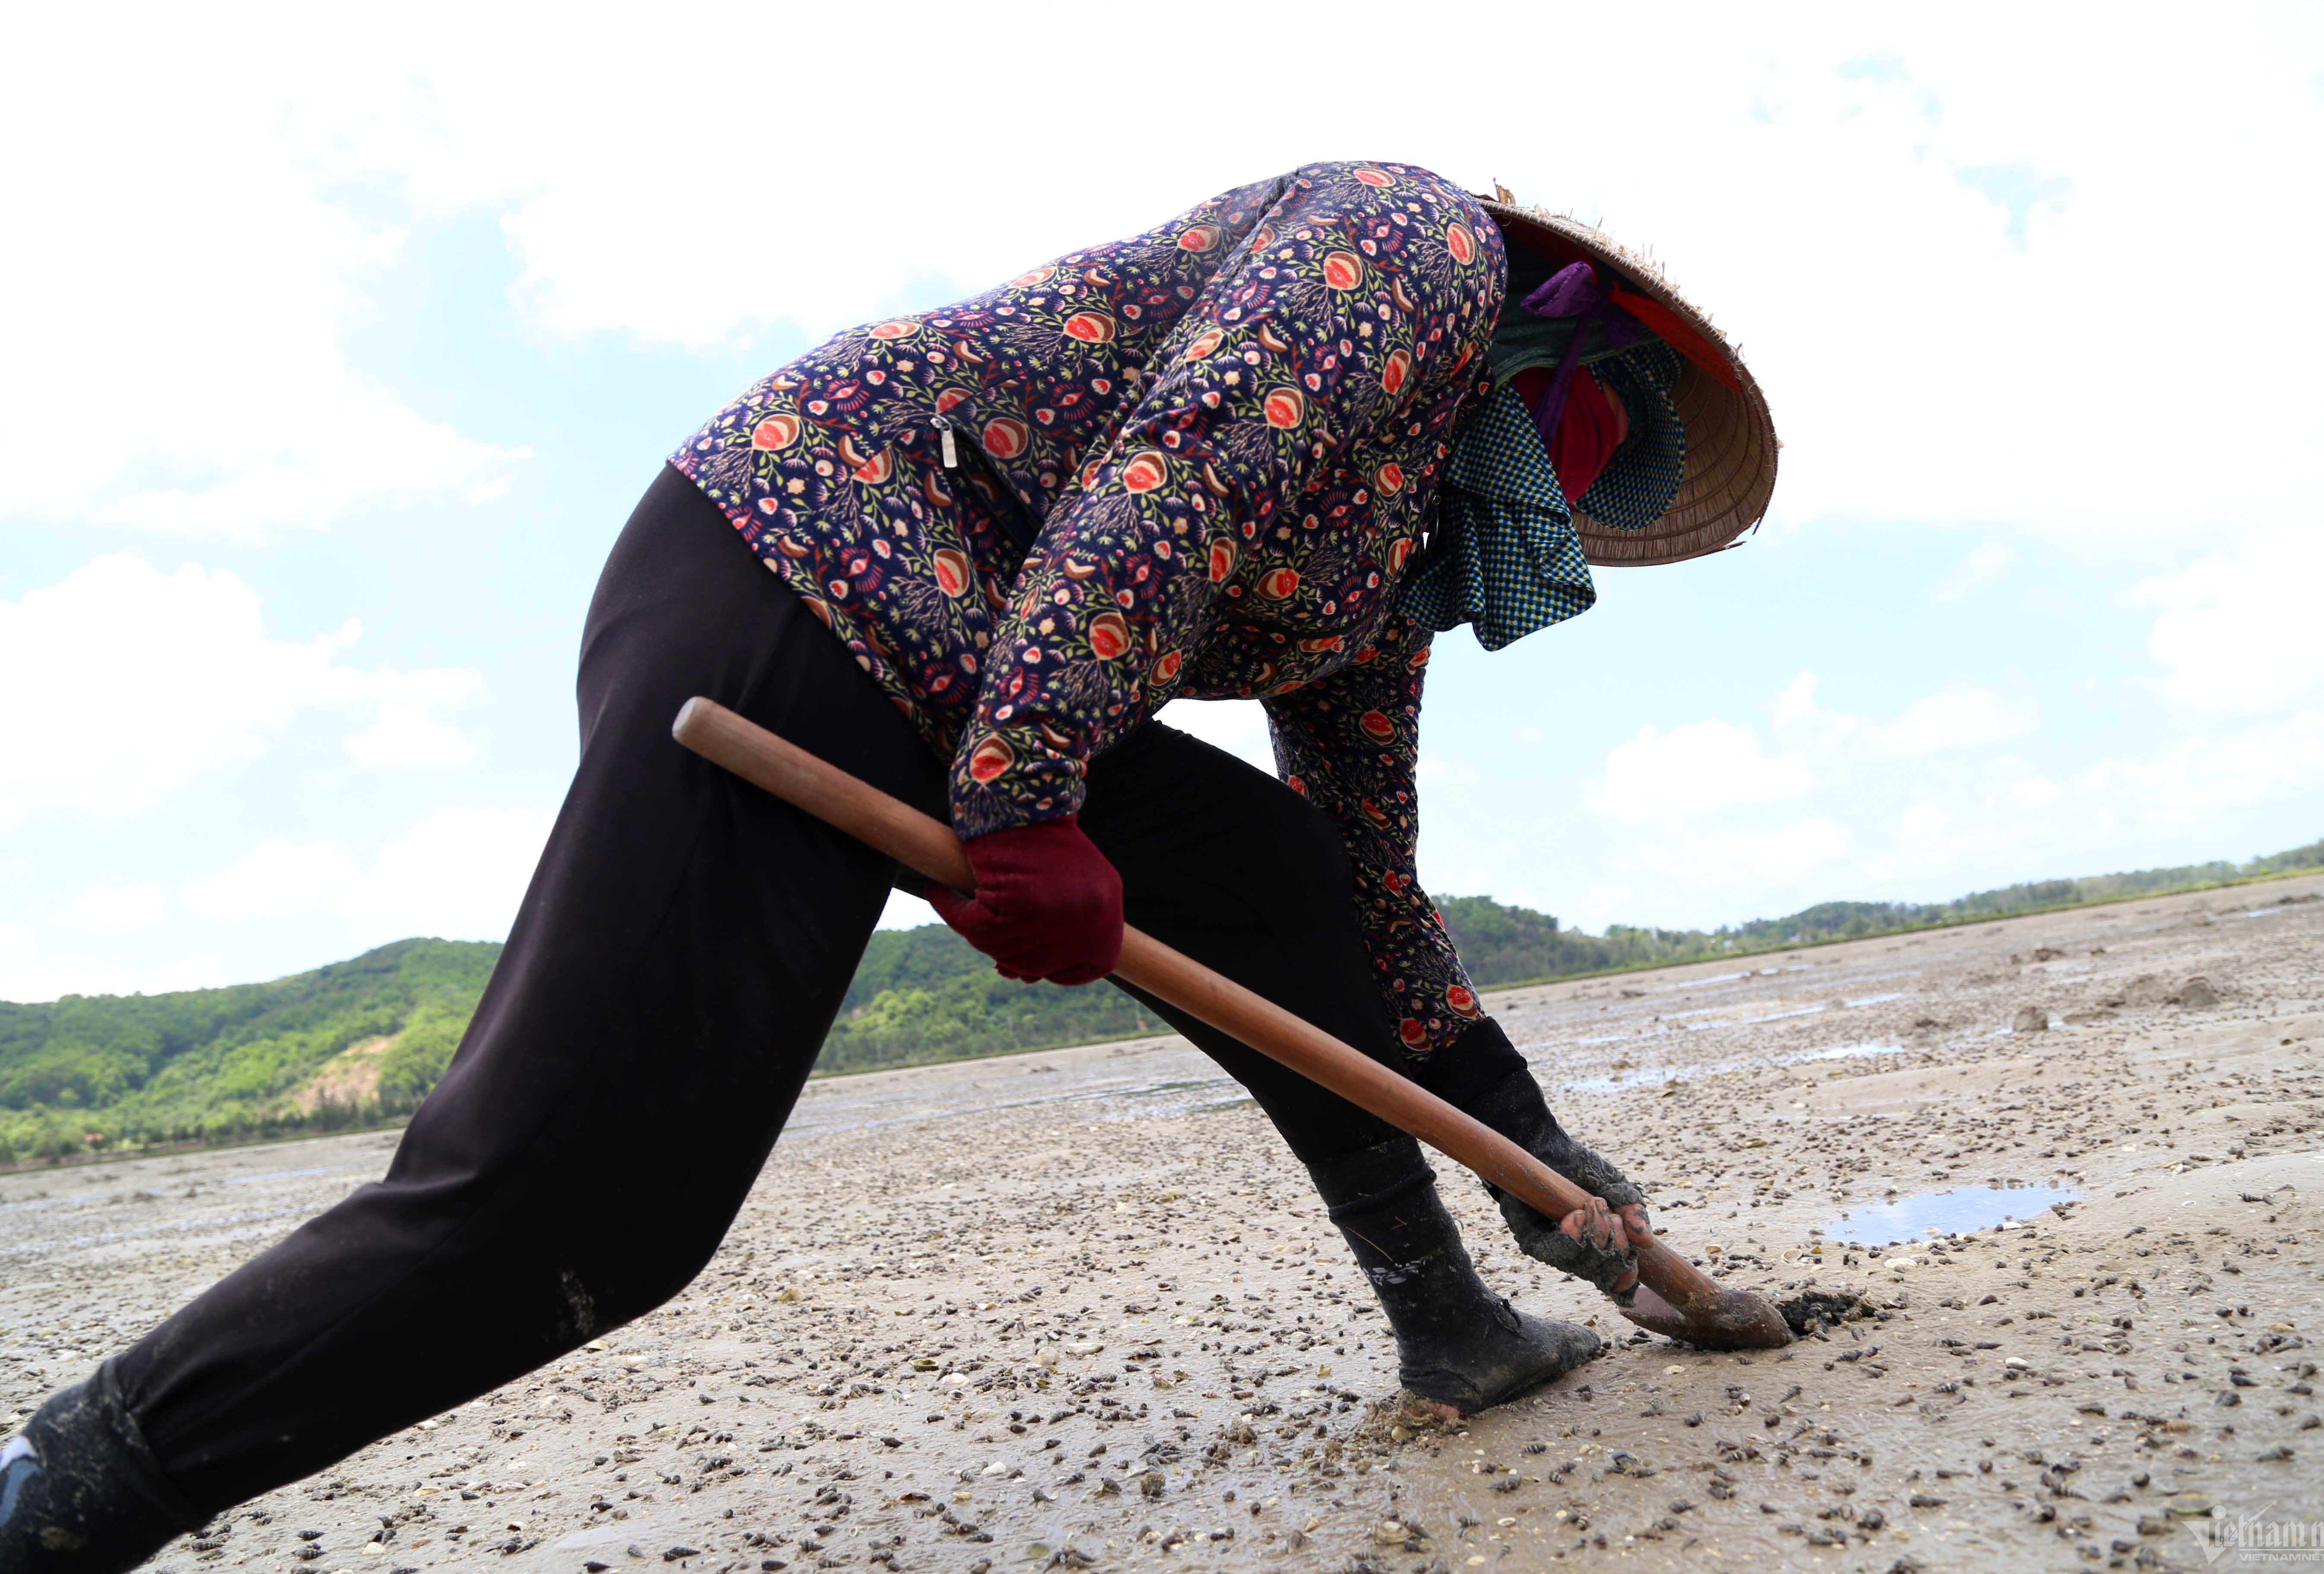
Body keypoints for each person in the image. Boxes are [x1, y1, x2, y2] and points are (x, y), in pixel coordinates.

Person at [0, 161, 1775, 1570]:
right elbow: (1161, 481)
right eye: (1582, 430)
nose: (1567, 491)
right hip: (801, 566)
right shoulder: (1412, 244)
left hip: (972, 663)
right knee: (582, 1210)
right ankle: (62, 1494)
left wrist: (1533, 1143)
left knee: (1277, 876)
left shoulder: (1387, 567)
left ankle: (1447, 1317)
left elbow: (1373, 886)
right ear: (1565, 344)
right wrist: (1027, 808)